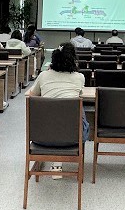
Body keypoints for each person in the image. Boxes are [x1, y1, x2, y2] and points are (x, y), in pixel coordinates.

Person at [28, 42, 89, 178]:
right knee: (78, 107)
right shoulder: (79, 77)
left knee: (52, 111)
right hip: (72, 138)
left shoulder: (43, 75)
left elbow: (31, 96)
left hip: (42, 136)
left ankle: (54, 161)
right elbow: (79, 94)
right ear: (73, 59)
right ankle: (59, 162)